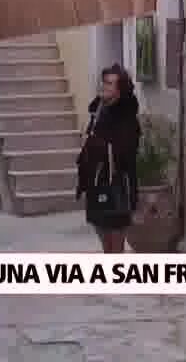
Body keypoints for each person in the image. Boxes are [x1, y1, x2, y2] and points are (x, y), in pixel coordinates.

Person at [75, 64, 141, 253]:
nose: (104, 86)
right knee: (105, 243)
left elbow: (126, 153)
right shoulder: (98, 110)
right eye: (104, 81)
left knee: (116, 246)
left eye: (110, 83)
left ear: (120, 89)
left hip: (117, 184)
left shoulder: (126, 117)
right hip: (95, 182)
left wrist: (98, 143)